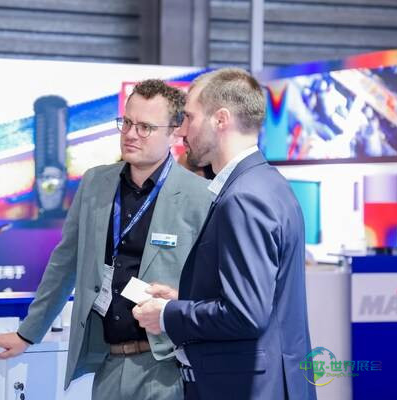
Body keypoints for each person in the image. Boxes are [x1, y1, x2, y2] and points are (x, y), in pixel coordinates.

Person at [0, 79, 212, 400]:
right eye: (127, 122)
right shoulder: (95, 183)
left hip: (168, 366)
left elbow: (214, 288)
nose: (131, 134)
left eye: (145, 127)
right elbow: (64, 264)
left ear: (174, 132)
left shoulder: (201, 196)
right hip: (108, 361)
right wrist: (28, 333)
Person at [132, 68, 317, 400]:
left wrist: (168, 314)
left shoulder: (243, 197)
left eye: (189, 117)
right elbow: (261, 299)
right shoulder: (267, 183)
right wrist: (184, 298)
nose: (182, 130)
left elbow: (246, 314)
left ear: (220, 119)